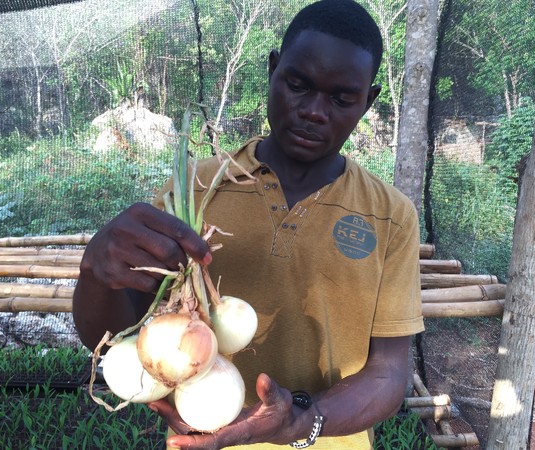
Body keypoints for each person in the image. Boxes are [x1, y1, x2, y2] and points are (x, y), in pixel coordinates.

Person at [72, 0, 424, 448]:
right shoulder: (192, 190)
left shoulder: (391, 214)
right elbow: (112, 334)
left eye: (341, 98)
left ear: (368, 100)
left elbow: (389, 372)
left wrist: (303, 420)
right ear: (274, 71)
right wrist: (94, 273)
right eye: (298, 84)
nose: (315, 110)